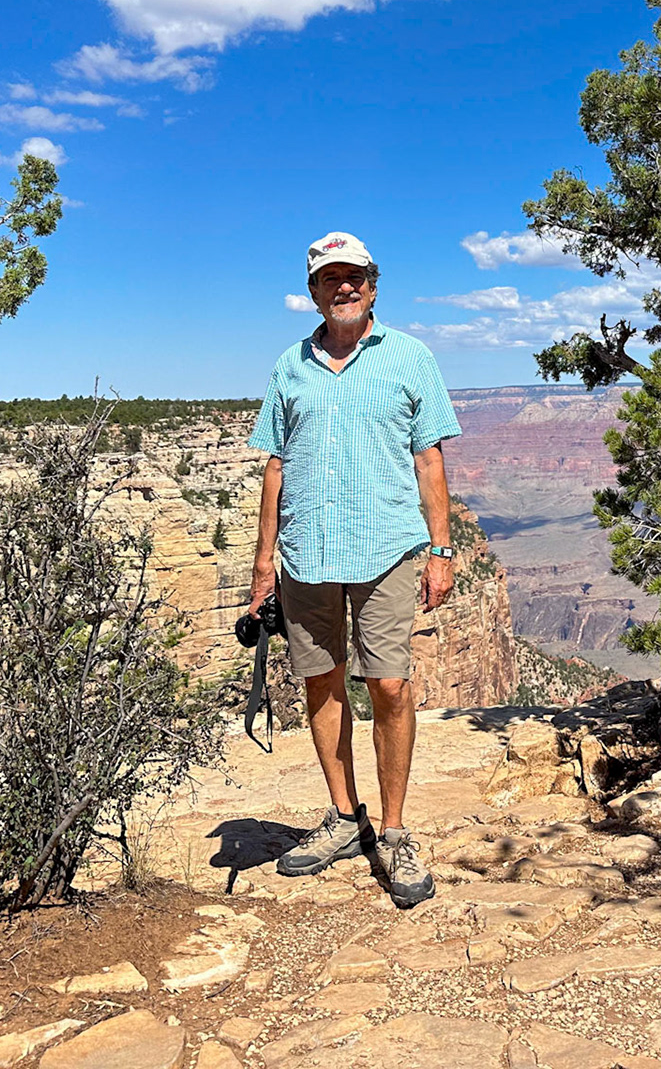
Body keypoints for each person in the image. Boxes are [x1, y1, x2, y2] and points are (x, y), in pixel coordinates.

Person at [247, 231, 462, 908]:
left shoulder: (410, 357)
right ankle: (345, 818)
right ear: (312, 290)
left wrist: (443, 548)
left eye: (355, 277)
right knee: (321, 682)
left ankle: (394, 832)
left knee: (390, 684)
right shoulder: (289, 365)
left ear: (374, 283)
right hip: (307, 552)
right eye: (329, 278)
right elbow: (275, 464)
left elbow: (429, 458)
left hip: (388, 548)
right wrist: (262, 563)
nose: (344, 288)